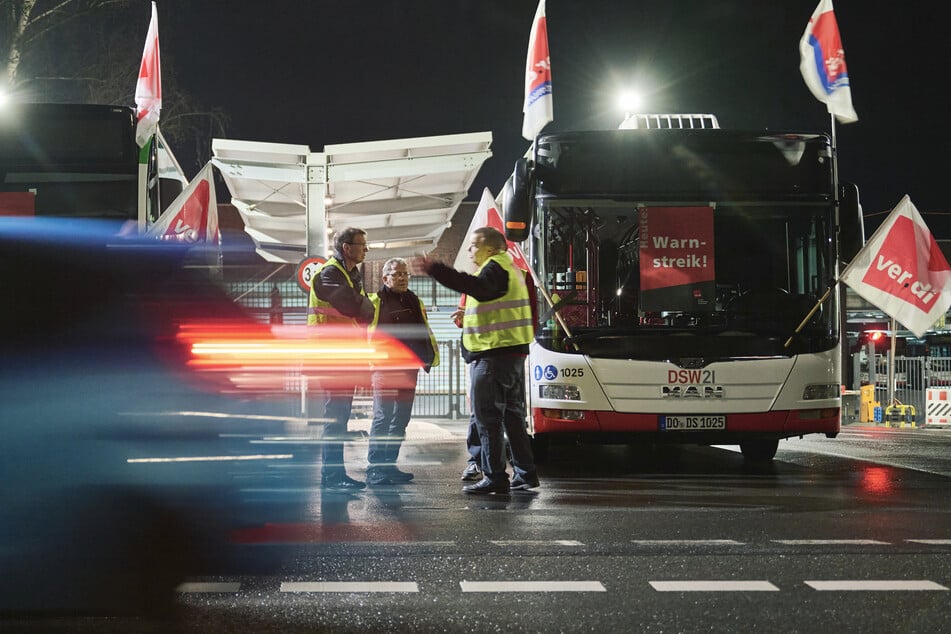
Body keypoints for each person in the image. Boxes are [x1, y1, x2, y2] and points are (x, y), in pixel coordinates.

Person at [412, 227, 539, 494]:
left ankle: (494, 477)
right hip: (511, 353)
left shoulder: (494, 268)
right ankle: (525, 473)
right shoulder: (511, 269)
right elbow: (490, 300)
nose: (470, 251)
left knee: (488, 417)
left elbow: (476, 288)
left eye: (473, 246)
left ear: (490, 249)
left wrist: (436, 269)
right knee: (513, 417)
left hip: (493, 355)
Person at [308, 227, 375, 490]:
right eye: (362, 245)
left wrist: (362, 305)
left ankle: (336, 474)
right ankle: (332, 476)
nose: (366, 249)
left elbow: (363, 310)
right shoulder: (329, 274)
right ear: (346, 247)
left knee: (339, 418)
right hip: (331, 356)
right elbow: (354, 306)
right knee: (335, 418)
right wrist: (362, 305)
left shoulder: (350, 275)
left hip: (345, 356)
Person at [365, 257, 439, 486]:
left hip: (409, 369)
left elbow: (422, 329)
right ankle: (375, 469)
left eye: (405, 274)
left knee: (401, 418)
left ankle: (389, 465)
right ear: (385, 277)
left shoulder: (414, 299)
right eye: (397, 274)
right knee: (383, 416)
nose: (402, 278)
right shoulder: (375, 301)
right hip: (385, 368)